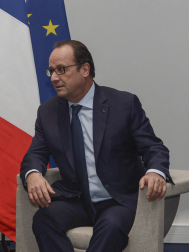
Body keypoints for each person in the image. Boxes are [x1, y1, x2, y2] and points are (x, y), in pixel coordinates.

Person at [20, 40, 171, 252]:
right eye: (52, 71)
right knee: (44, 220)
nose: (54, 78)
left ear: (85, 69)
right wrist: (33, 174)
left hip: (117, 200)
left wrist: (155, 172)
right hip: (76, 199)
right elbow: (35, 153)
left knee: (111, 227)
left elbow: (153, 147)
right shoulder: (48, 112)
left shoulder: (123, 104)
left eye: (61, 70)